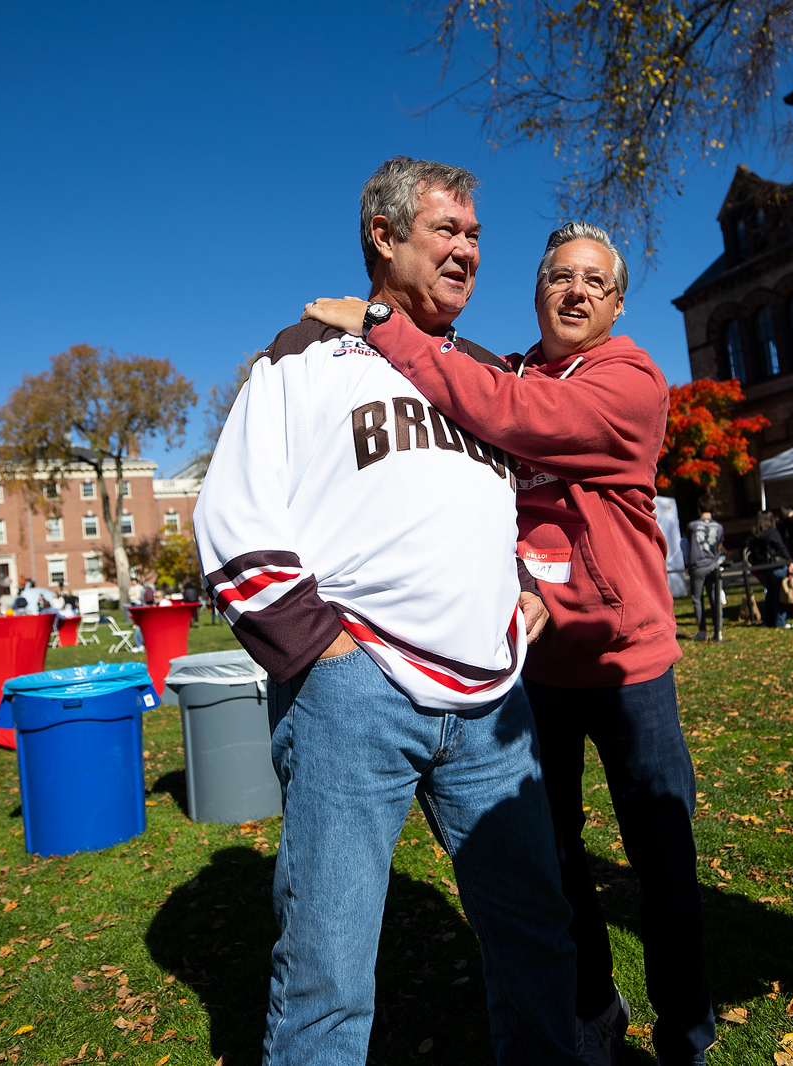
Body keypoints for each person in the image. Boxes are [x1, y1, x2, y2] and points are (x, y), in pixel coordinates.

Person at [196, 156, 584, 1066]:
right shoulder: (303, 356)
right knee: (328, 977)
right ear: (384, 235)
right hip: (354, 692)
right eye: (447, 231)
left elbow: (528, 511)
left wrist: (528, 583)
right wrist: (320, 650)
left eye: (477, 236)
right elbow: (233, 517)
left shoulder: (483, 373)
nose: (467, 251)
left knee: (538, 937)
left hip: (495, 709)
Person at [304, 218, 716, 1065]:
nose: (575, 291)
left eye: (594, 282)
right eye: (560, 276)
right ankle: (592, 1007)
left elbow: (518, 414)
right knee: (554, 861)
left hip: (626, 661)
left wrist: (386, 325)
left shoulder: (628, 379)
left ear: (617, 303)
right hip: (534, 667)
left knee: (663, 868)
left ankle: (686, 1035)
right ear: (536, 289)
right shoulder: (505, 368)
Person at [750, 511, 793, 630]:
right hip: (776, 566)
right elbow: (781, 548)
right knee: (778, 595)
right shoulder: (772, 533)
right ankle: (780, 622)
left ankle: (768, 621)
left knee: (769, 595)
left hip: (764, 568)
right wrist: (790, 561)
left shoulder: (756, 535)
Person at [687, 510, 725, 642]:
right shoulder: (719, 526)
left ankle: (702, 632)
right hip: (713, 564)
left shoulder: (692, 526)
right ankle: (718, 632)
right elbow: (719, 545)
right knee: (715, 599)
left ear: (698, 509)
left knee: (697, 599)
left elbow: (688, 543)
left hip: (697, 565)